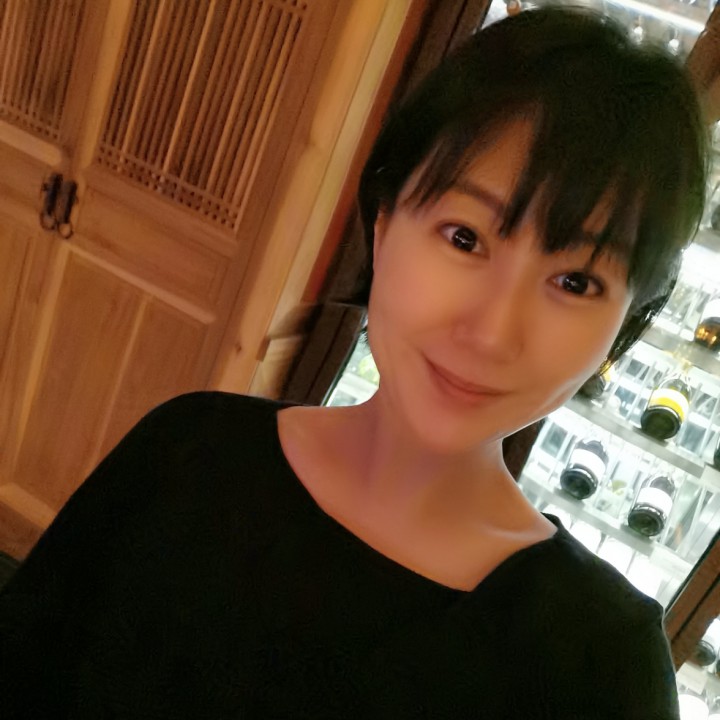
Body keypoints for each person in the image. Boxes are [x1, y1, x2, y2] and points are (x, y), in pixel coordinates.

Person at [0, 5, 707, 718]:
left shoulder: (601, 666)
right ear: (384, 221)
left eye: (576, 281)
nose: (493, 333)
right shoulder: (187, 450)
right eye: (464, 238)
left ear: (625, 324)